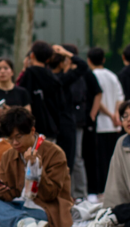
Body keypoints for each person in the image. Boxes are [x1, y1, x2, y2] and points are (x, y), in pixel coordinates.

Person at [90, 101, 130, 227]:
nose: (128, 120)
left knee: (124, 215)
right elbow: (117, 185)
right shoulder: (122, 143)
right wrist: (116, 226)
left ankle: (115, 215)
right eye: (125, 116)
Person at [66, 44, 102, 201]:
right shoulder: (63, 73)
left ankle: (81, 193)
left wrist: (93, 114)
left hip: (80, 120)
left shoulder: (84, 73)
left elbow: (98, 92)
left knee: (78, 157)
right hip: (65, 120)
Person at [88, 46, 125, 196]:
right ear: (103, 59)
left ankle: (101, 191)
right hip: (114, 126)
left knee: (100, 161)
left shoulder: (91, 76)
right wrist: (116, 114)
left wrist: (110, 114)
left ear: (89, 60)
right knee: (112, 160)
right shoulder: (112, 76)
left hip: (100, 125)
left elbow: (96, 97)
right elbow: (119, 98)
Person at [48, 45, 89, 175]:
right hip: (66, 122)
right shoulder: (64, 79)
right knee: (67, 160)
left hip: (50, 122)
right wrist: (67, 53)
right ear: (62, 63)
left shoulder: (43, 78)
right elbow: (83, 66)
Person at [17, 41, 63, 142]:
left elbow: (20, 96)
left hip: (32, 129)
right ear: (48, 59)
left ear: (32, 55)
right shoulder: (54, 78)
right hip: (52, 127)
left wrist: (24, 69)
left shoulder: (29, 74)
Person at [0, 58, 31, 141]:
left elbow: (28, 115)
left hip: (17, 139)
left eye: (6, 68)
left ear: (12, 72)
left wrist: (11, 112)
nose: (2, 71)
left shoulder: (22, 92)